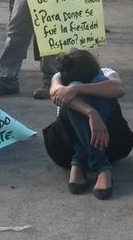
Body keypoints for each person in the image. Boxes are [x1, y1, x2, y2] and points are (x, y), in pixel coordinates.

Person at [49, 49, 126, 200]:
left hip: (110, 141)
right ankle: (101, 167)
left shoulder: (105, 73)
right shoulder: (59, 76)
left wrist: (76, 88)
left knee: (100, 85)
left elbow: (118, 88)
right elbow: (55, 94)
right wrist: (90, 112)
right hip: (65, 145)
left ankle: (79, 160)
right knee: (67, 96)